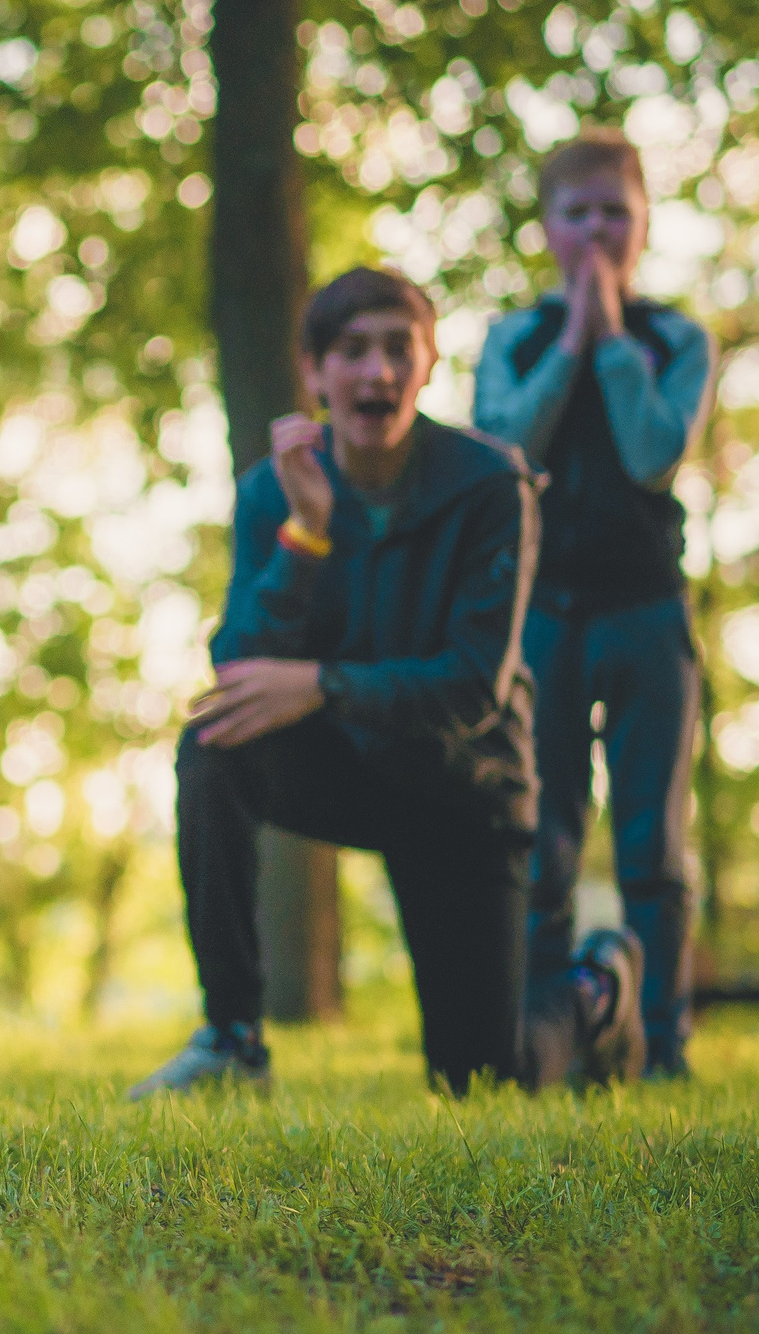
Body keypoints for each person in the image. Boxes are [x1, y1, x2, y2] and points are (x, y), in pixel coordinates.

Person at [131, 266, 643, 1102]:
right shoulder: (272, 490)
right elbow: (245, 673)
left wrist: (326, 685)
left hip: (465, 791)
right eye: (353, 351)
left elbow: (474, 685)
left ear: (430, 362)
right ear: (315, 370)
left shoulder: (493, 484)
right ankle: (233, 1038)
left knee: (482, 1082)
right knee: (215, 746)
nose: (376, 372)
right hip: (351, 770)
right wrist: (306, 535)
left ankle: (596, 989)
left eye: (398, 349)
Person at [473, 131, 715, 1082]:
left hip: (649, 613)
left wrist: (614, 339)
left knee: (654, 839)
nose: (598, 229)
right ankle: (545, 1039)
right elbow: (508, 449)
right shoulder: (516, 339)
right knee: (545, 837)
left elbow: (656, 450)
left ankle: (663, 1044)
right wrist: (574, 337)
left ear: (645, 221)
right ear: (548, 227)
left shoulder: (676, 340)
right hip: (544, 618)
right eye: (578, 213)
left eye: (616, 210)